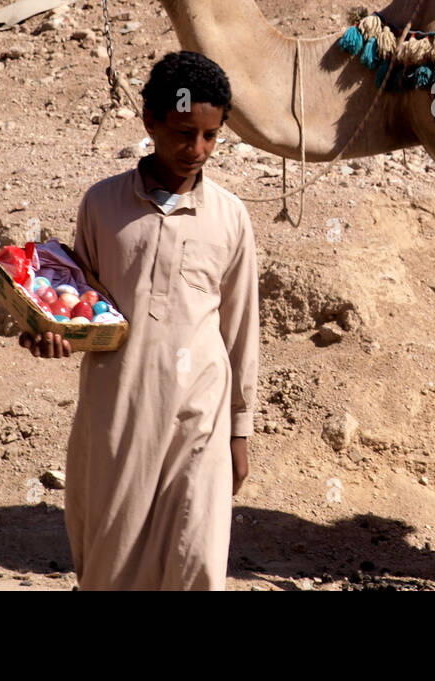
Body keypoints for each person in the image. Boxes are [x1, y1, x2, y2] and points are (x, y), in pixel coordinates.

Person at [20, 50, 259, 591]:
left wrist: (239, 431)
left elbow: (242, 331)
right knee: (112, 566)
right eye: (182, 132)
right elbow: (77, 305)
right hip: (118, 413)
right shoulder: (102, 205)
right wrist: (48, 334)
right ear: (149, 120)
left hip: (200, 415)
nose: (196, 149)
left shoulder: (231, 218)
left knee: (196, 559)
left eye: (210, 136)